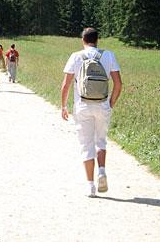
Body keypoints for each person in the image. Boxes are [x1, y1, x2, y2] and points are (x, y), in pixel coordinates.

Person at [60, 28, 122, 198]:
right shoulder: (108, 56)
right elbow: (118, 84)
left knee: (86, 144)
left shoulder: (76, 56)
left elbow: (66, 85)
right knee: (100, 141)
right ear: (97, 40)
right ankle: (101, 170)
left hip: (82, 106)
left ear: (83, 40)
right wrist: (111, 103)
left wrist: (63, 106)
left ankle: (90, 186)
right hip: (102, 105)